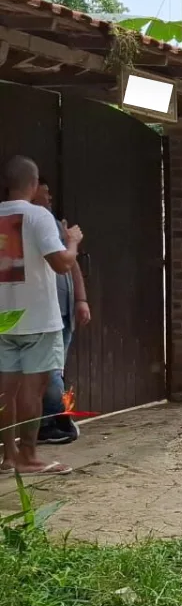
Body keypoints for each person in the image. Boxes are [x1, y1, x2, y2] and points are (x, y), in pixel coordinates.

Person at [0, 156, 82, 476]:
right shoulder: (39, 216)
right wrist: (72, 242)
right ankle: (30, 456)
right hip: (36, 318)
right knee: (32, 392)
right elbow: (61, 263)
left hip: (4, 318)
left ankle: (8, 457)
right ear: (33, 185)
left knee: (6, 391)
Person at [31, 178, 90, 445]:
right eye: (44, 194)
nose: (50, 198)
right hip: (43, 310)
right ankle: (56, 419)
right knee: (51, 368)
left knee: (57, 367)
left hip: (63, 308)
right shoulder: (30, 223)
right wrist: (72, 241)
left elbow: (72, 264)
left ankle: (49, 422)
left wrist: (81, 299)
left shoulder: (54, 224)